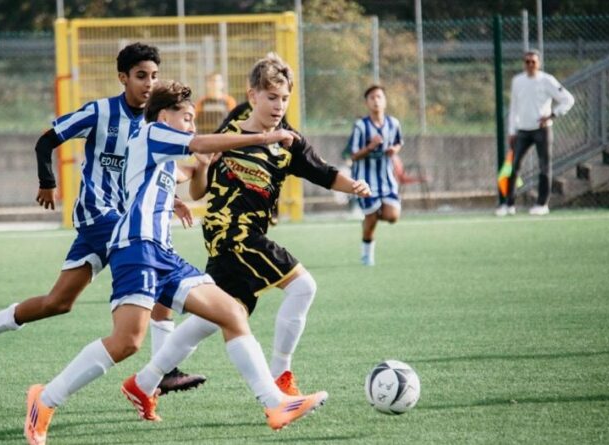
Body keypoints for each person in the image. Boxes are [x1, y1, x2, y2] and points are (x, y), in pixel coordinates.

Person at [23, 81, 329, 445]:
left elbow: (186, 174)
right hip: (135, 246)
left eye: (193, 121)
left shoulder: (161, 154)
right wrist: (261, 138)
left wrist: (198, 169)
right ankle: (44, 400)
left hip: (162, 253)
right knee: (127, 342)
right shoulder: (152, 133)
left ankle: (275, 404)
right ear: (163, 115)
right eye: (186, 118)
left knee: (232, 313)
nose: (191, 127)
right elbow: (199, 144)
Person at [123, 53, 370, 409]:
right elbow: (199, 179)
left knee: (211, 320)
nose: (278, 105)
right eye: (271, 97)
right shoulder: (232, 128)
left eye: (284, 98)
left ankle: (144, 382)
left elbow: (324, 172)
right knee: (303, 286)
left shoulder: (289, 142)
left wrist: (355, 186)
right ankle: (280, 380)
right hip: (233, 234)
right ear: (252, 96)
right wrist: (191, 179)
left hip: (241, 236)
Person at [0, 43, 204, 395]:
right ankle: (165, 368)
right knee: (155, 262)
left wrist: (173, 200)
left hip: (119, 222)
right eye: (140, 76)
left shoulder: (153, 122)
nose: (149, 83)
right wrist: (47, 182)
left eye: (154, 76)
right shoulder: (100, 112)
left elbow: (146, 173)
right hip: (99, 215)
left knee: (58, 302)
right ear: (123, 78)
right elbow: (46, 141)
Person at [497, 49, 575, 217]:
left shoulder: (547, 80)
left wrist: (553, 114)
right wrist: (512, 131)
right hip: (522, 131)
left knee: (544, 166)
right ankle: (508, 204)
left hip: (542, 130)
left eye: (533, 62)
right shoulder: (517, 81)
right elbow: (514, 107)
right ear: (524, 64)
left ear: (538, 63)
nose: (530, 65)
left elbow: (568, 99)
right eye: (527, 62)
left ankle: (542, 204)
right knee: (514, 166)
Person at [346, 85, 403, 266]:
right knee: (371, 221)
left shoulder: (393, 123)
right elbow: (353, 155)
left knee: (393, 216)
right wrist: (370, 147)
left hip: (387, 180)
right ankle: (367, 256)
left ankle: (371, 215)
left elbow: (399, 142)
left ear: (385, 101)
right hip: (365, 181)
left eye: (379, 97)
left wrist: (394, 149)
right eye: (372, 97)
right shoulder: (361, 126)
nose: (376, 100)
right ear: (367, 103)